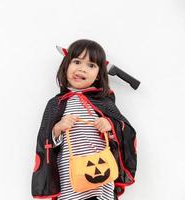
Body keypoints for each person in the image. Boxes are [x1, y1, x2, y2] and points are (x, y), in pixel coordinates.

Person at [31, 39, 137, 200]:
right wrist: (58, 128)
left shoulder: (105, 103)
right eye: (77, 61)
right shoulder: (56, 104)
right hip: (69, 172)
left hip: (100, 169)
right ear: (66, 66)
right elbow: (44, 139)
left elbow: (125, 131)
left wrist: (110, 126)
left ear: (98, 75)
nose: (82, 69)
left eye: (91, 65)